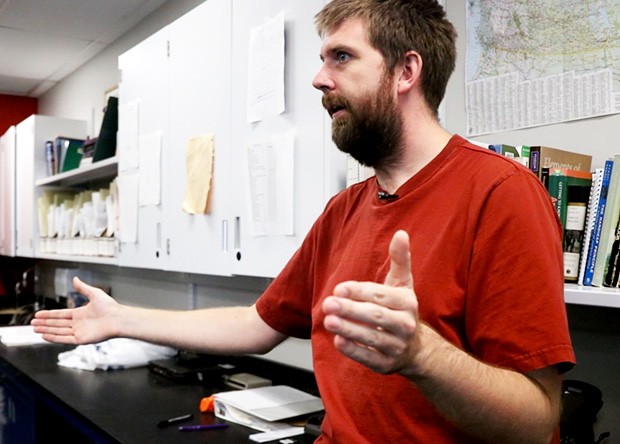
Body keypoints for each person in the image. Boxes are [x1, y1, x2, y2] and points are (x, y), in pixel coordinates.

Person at [32, 1, 576, 442]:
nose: (319, 79)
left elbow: (536, 421)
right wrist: (122, 319)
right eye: (322, 59)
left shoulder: (503, 194)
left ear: (406, 71)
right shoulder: (345, 210)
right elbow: (257, 324)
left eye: (341, 57)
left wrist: (421, 355)